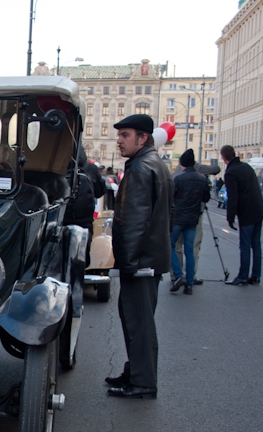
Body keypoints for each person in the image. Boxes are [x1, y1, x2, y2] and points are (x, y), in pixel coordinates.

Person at [106, 115, 173, 399]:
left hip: (141, 262)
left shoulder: (141, 168)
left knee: (139, 322)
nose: (119, 140)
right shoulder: (153, 163)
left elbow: (134, 222)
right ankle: (135, 371)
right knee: (138, 319)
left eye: (125, 135)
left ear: (143, 138)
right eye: (119, 135)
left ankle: (143, 382)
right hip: (149, 258)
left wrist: (128, 264)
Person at [220, 145, 263, 285]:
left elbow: (233, 197)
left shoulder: (231, 173)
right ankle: (256, 275)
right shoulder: (247, 167)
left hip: (247, 213)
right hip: (259, 209)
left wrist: (230, 217)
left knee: (245, 245)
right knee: (256, 244)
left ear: (223, 158)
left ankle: (243, 275)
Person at [169, 150, 210, 295]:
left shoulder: (178, 179)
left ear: (182, 164)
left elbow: (172, 198)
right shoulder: (202, 179)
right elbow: (206, 198)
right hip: (193, 218)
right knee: (190, 250)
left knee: (171, 245)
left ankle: (179, 275)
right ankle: (190, 283)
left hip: (178, 218)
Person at [62, 145, 106, 265]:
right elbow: (100, 191)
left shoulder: (59, 167)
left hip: (62, 221)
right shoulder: (90, 168)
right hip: (84, 223)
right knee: (81, 257)